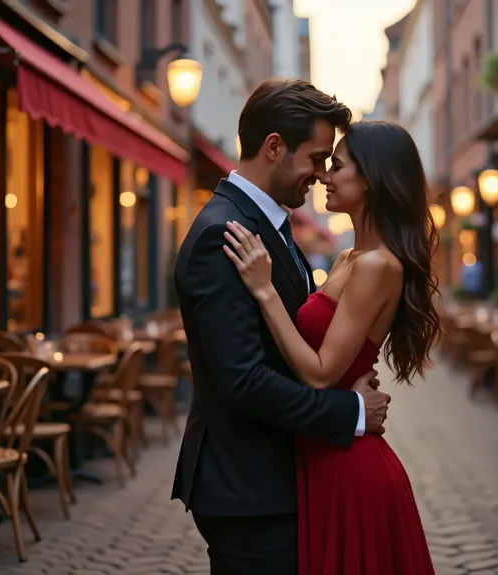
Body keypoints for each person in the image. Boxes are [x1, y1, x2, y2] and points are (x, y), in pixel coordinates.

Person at [171, 79, 391, 574]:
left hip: (276, 479)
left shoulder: (268, 222)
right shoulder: (222, 234)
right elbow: (244, 378)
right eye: (315, 158)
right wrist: (350, 412)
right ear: (274, 147)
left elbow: (287, 341)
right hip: (249, 489)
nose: (320, 174)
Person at [223, 119, 441, 574]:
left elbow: (321, 371)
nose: (323, 175)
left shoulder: (379, 266)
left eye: (336, 166)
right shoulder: (347, 259)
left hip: (349, 465)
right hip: (324, 448)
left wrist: (264, 292)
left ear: (371, 177)